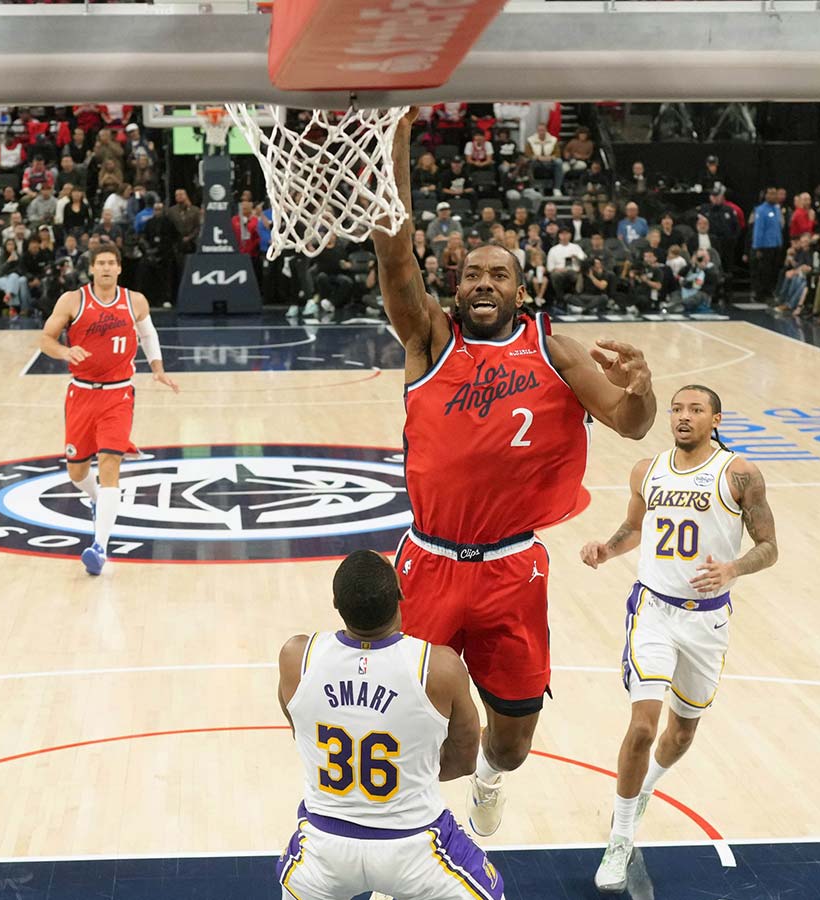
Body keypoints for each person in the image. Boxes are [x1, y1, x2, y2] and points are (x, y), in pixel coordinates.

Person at [371, 109, 657, 838]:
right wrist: (393, 134)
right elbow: (396, 258)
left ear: (519, 292)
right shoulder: (429, 339)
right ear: (455, 288)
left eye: (499, 274)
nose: (483, 282)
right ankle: (404, 832)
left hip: (511, 569)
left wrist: (642, 386)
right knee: (410, 722)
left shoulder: (554, 352)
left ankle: (489, 781)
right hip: (430, 563)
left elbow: (631, 423)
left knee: (510, 745)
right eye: (471, 273)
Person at [579, 385, 779, 892]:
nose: (683, 417)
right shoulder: (646, 470)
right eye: (676, 409)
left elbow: (769, 547)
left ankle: (645, 788)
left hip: (707, 622)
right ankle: (620, 839)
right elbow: (633, 529)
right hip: (653, 611)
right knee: (642, 728)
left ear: (716, 419)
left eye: (695, 409)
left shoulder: (740, 474)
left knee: (682, 734)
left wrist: (733, 568)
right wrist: (607, 549)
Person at [275, 550, 504, 900]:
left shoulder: (296, 657)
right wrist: (410, 773)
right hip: (414, 847)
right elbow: (464, 761)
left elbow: (299, 730)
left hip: (322, 850)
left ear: (336, 603)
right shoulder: (439, 667)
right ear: (400, 593)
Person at [36, 242, 180, 576]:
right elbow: (45, 339)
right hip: (81, 394)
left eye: (111, 263)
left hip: (119, 395)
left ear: (119, 268)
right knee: (76, 472)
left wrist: (157, 369)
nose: (105, 268)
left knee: (110, 462)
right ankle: (97, 499)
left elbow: (148, 335)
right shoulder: (72, 300)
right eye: (100, 263)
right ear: (91, 268)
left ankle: (99, 548)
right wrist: (64, 352)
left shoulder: (134, 301)